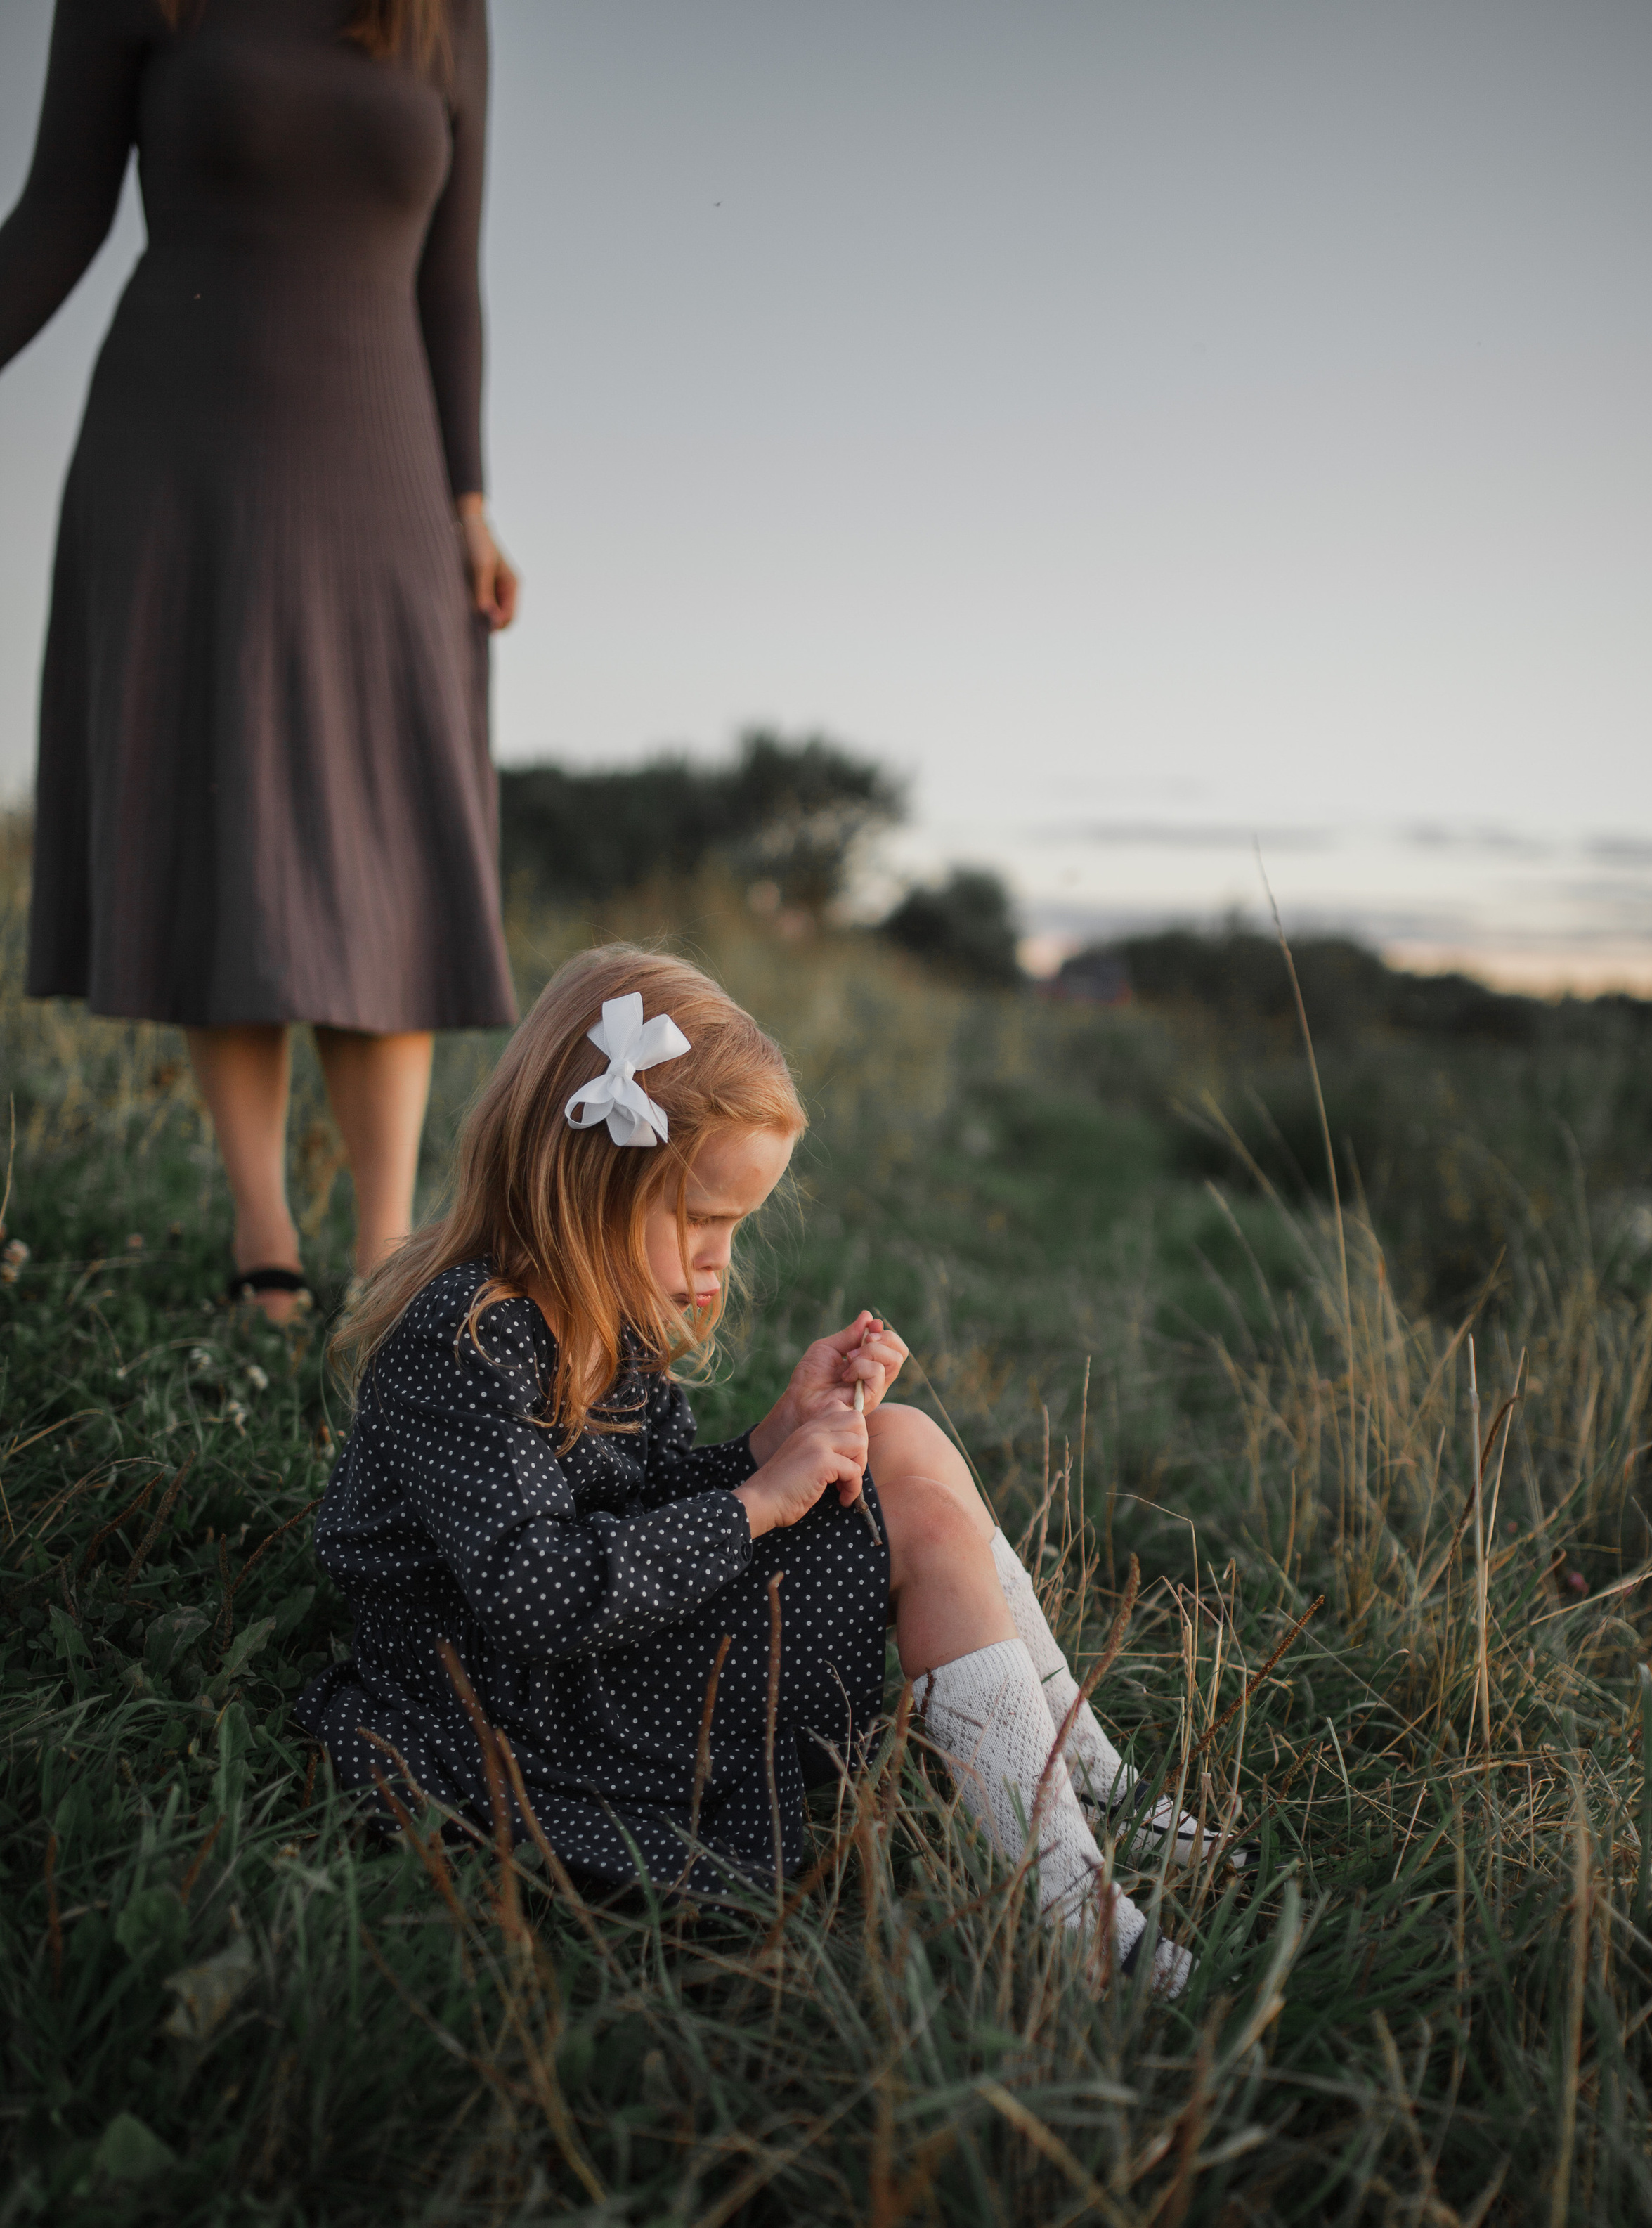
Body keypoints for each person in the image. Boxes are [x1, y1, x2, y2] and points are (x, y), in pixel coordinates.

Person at [295, 945, 1192, 1992]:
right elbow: (538, 1592)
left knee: (903, 1437)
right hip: (515, 1704)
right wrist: (759, 1501)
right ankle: (1078, 1924)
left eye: (737, 1224)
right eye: (703, 1218)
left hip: (594, 1656)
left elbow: (635, 1502)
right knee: (924, 1529)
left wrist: (771, 1443)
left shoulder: (603, 1324)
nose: (721, 1259)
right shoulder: (469, 1338)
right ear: (586, 1174)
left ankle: (1086, 1774)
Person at [0, 0, 518, 1319]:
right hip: (183, 461)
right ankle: (262, 1242)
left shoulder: (444, 11)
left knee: (382, 851)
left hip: (385, 465)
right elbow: (55, 220)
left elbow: (450, 278)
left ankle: (388, 1259)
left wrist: (469, 501)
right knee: (224, 835)